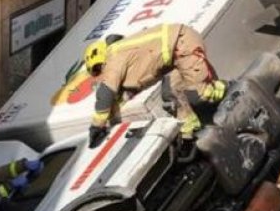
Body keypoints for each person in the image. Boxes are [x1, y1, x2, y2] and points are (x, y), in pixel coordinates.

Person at [85, 23, 227, 146]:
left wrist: (97, 126)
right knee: (171, 93)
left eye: (98, 69)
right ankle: (190, 134)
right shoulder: (124, 61)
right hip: (176, 57)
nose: (100, 74)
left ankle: (227, 90)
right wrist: (109, 123)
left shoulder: (113, 56)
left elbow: (105, 94)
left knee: (199, 95)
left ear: (101, 57)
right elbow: (121, 98)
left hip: (182, 45)